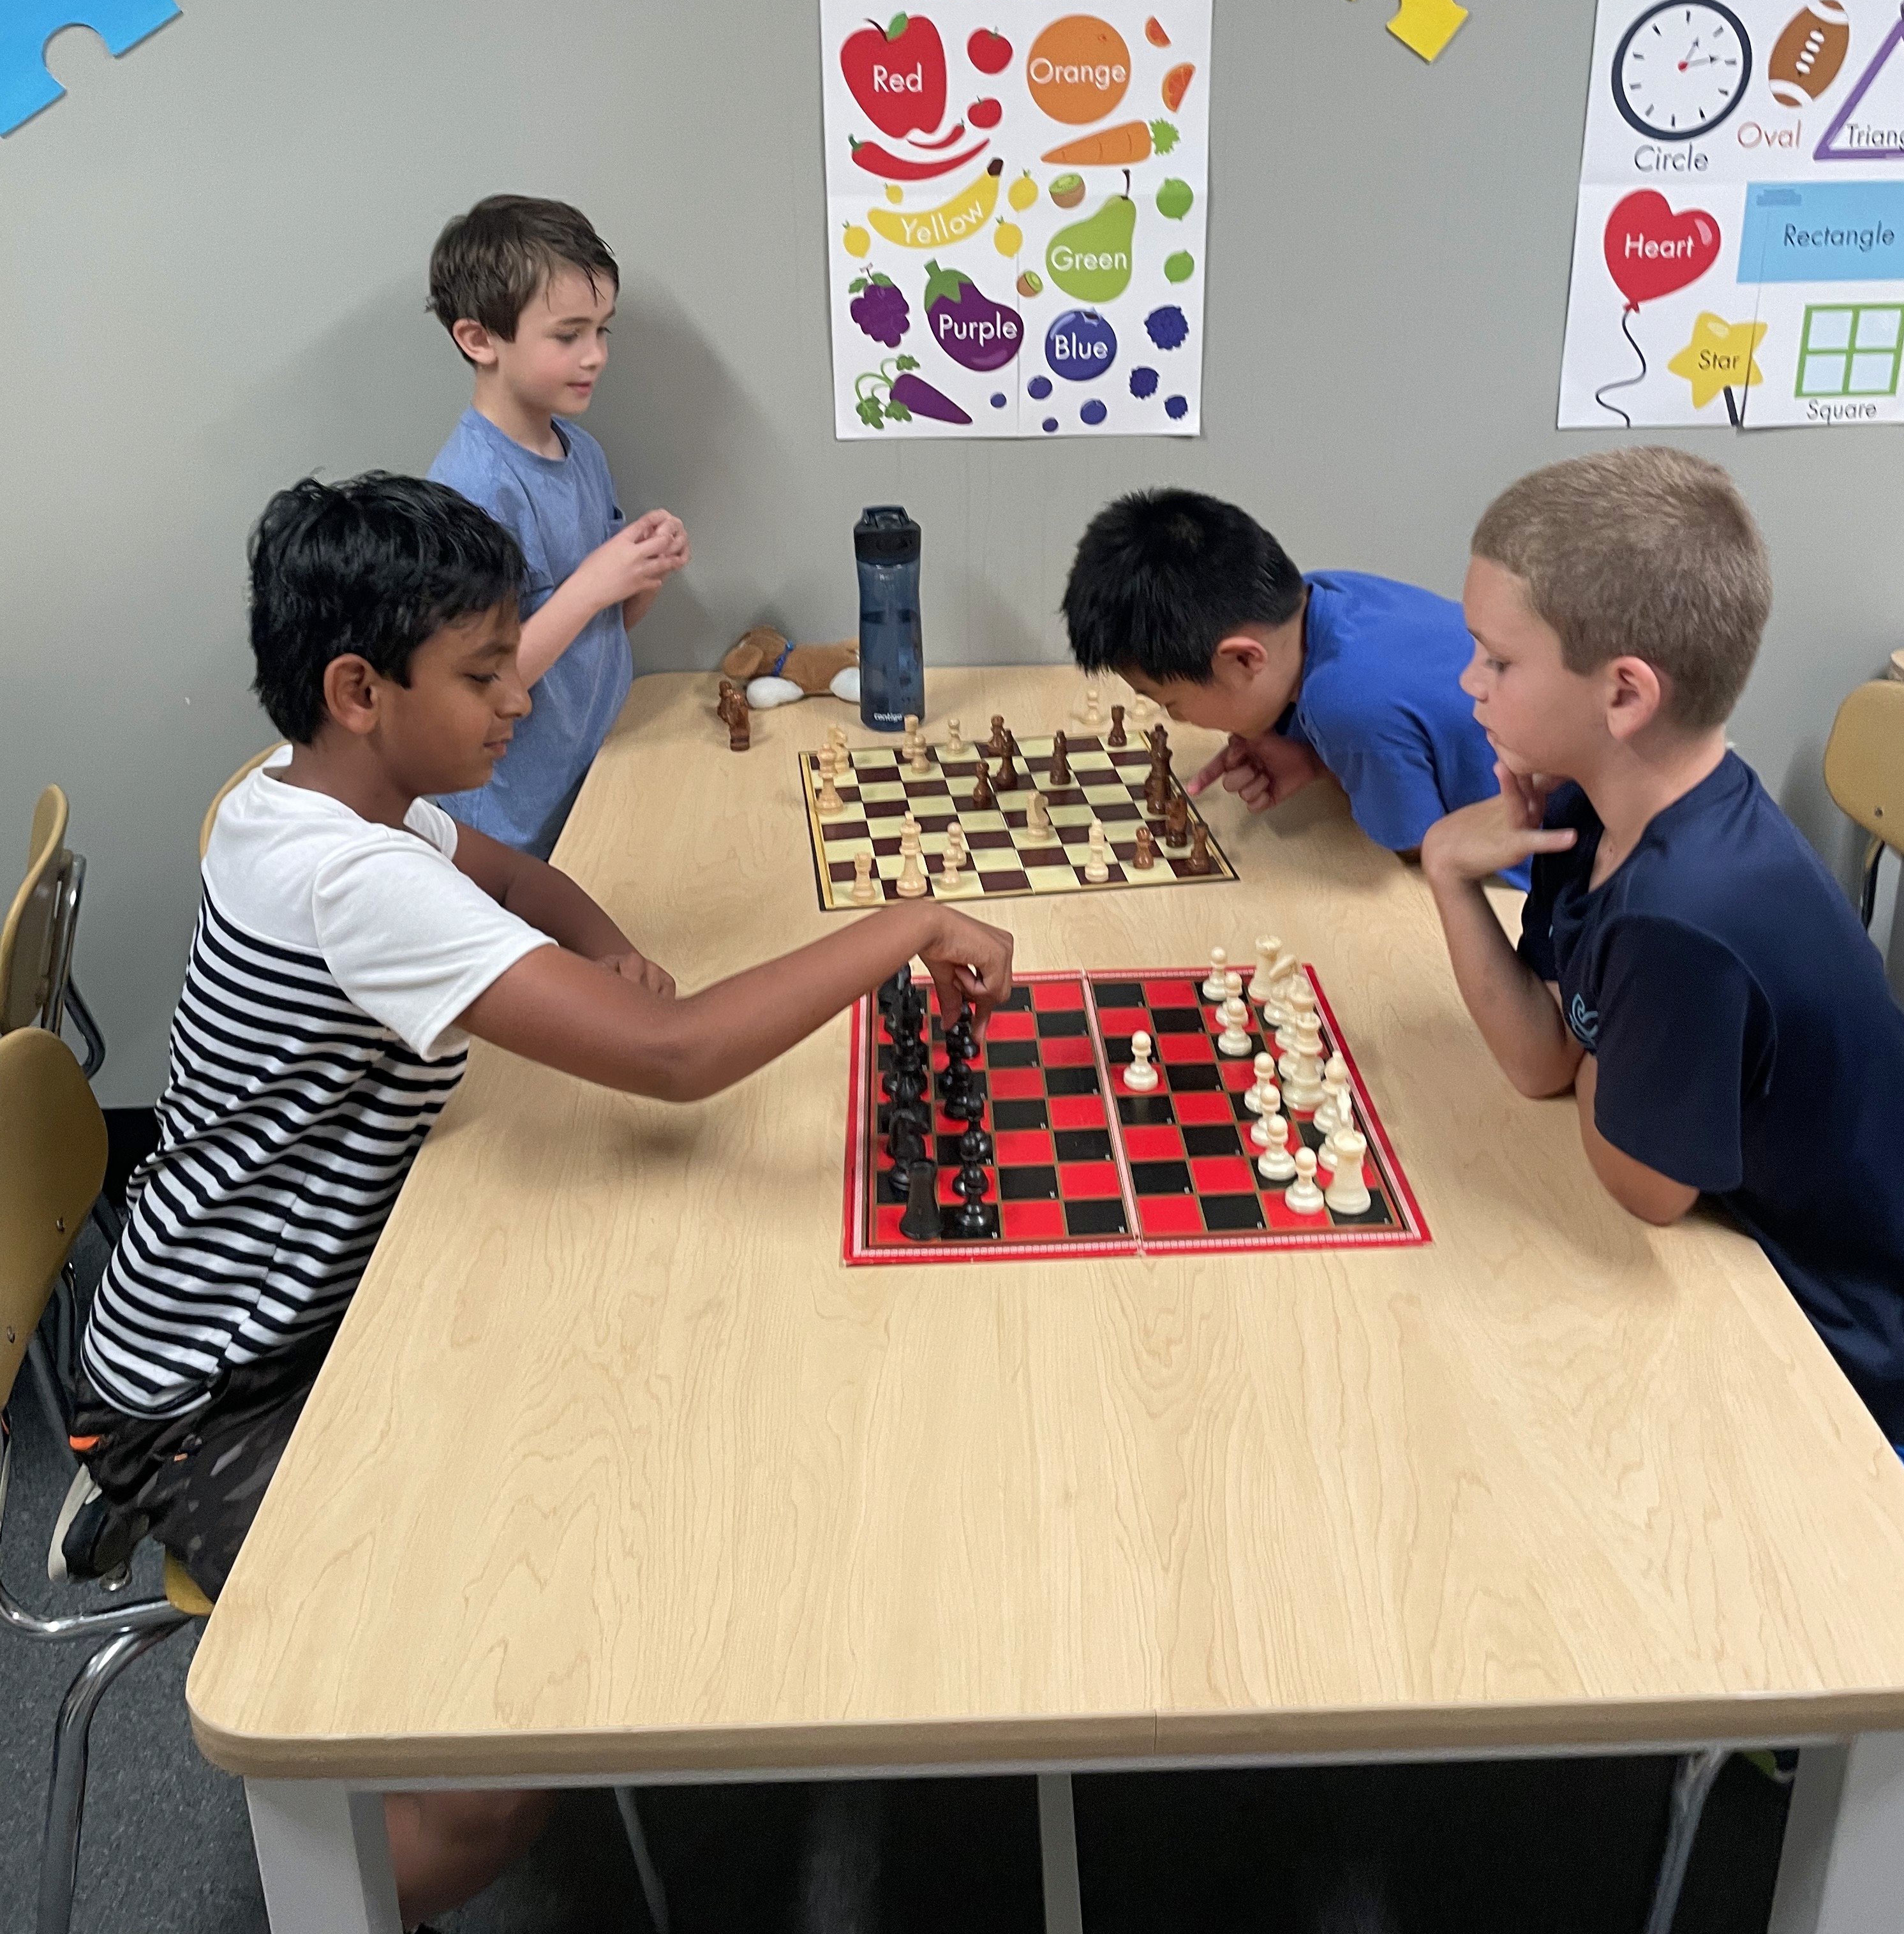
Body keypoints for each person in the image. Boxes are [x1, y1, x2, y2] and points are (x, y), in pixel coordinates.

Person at [66, 473, 1011, 1930]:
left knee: (633, 1378)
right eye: (485, 673)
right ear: (359, 689)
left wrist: (610, 941)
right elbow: (681, 1061)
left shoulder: (311, 793)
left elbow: (518, 874)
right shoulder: (351, 882)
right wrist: (906, 925)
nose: (521, 699)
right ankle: (322, 1906)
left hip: (297, 1310)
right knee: (506, 1753)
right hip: (210, 1393)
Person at [1420, 447, 1904, 1456]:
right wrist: (1447, 869)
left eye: (1499, 659)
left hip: (1876, 1350)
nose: (1468, 680)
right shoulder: (1597, 811)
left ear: (1625, 696)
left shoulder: (1680, 916)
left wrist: (1601, 1028)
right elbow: (1541, 1063)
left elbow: (1643, 1191)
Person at [1061, 487, 1523, 880]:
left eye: (1172, 703)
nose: (1174, 718)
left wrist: (1339, 754)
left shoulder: (1345, 704)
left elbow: (1418, 846)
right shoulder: (1327, 591)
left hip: (1556, 870)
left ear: (1243, 658)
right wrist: (1316, 757)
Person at [426, 192, 688, 856]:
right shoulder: (471, 490)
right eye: (568, 335)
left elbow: (606, 629)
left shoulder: (583, 452)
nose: (595, 354)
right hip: (510, 827)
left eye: (603, 330)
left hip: (594, 779)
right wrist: (597, 582)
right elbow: (481, 681)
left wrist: (644, 571)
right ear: (479, 339)